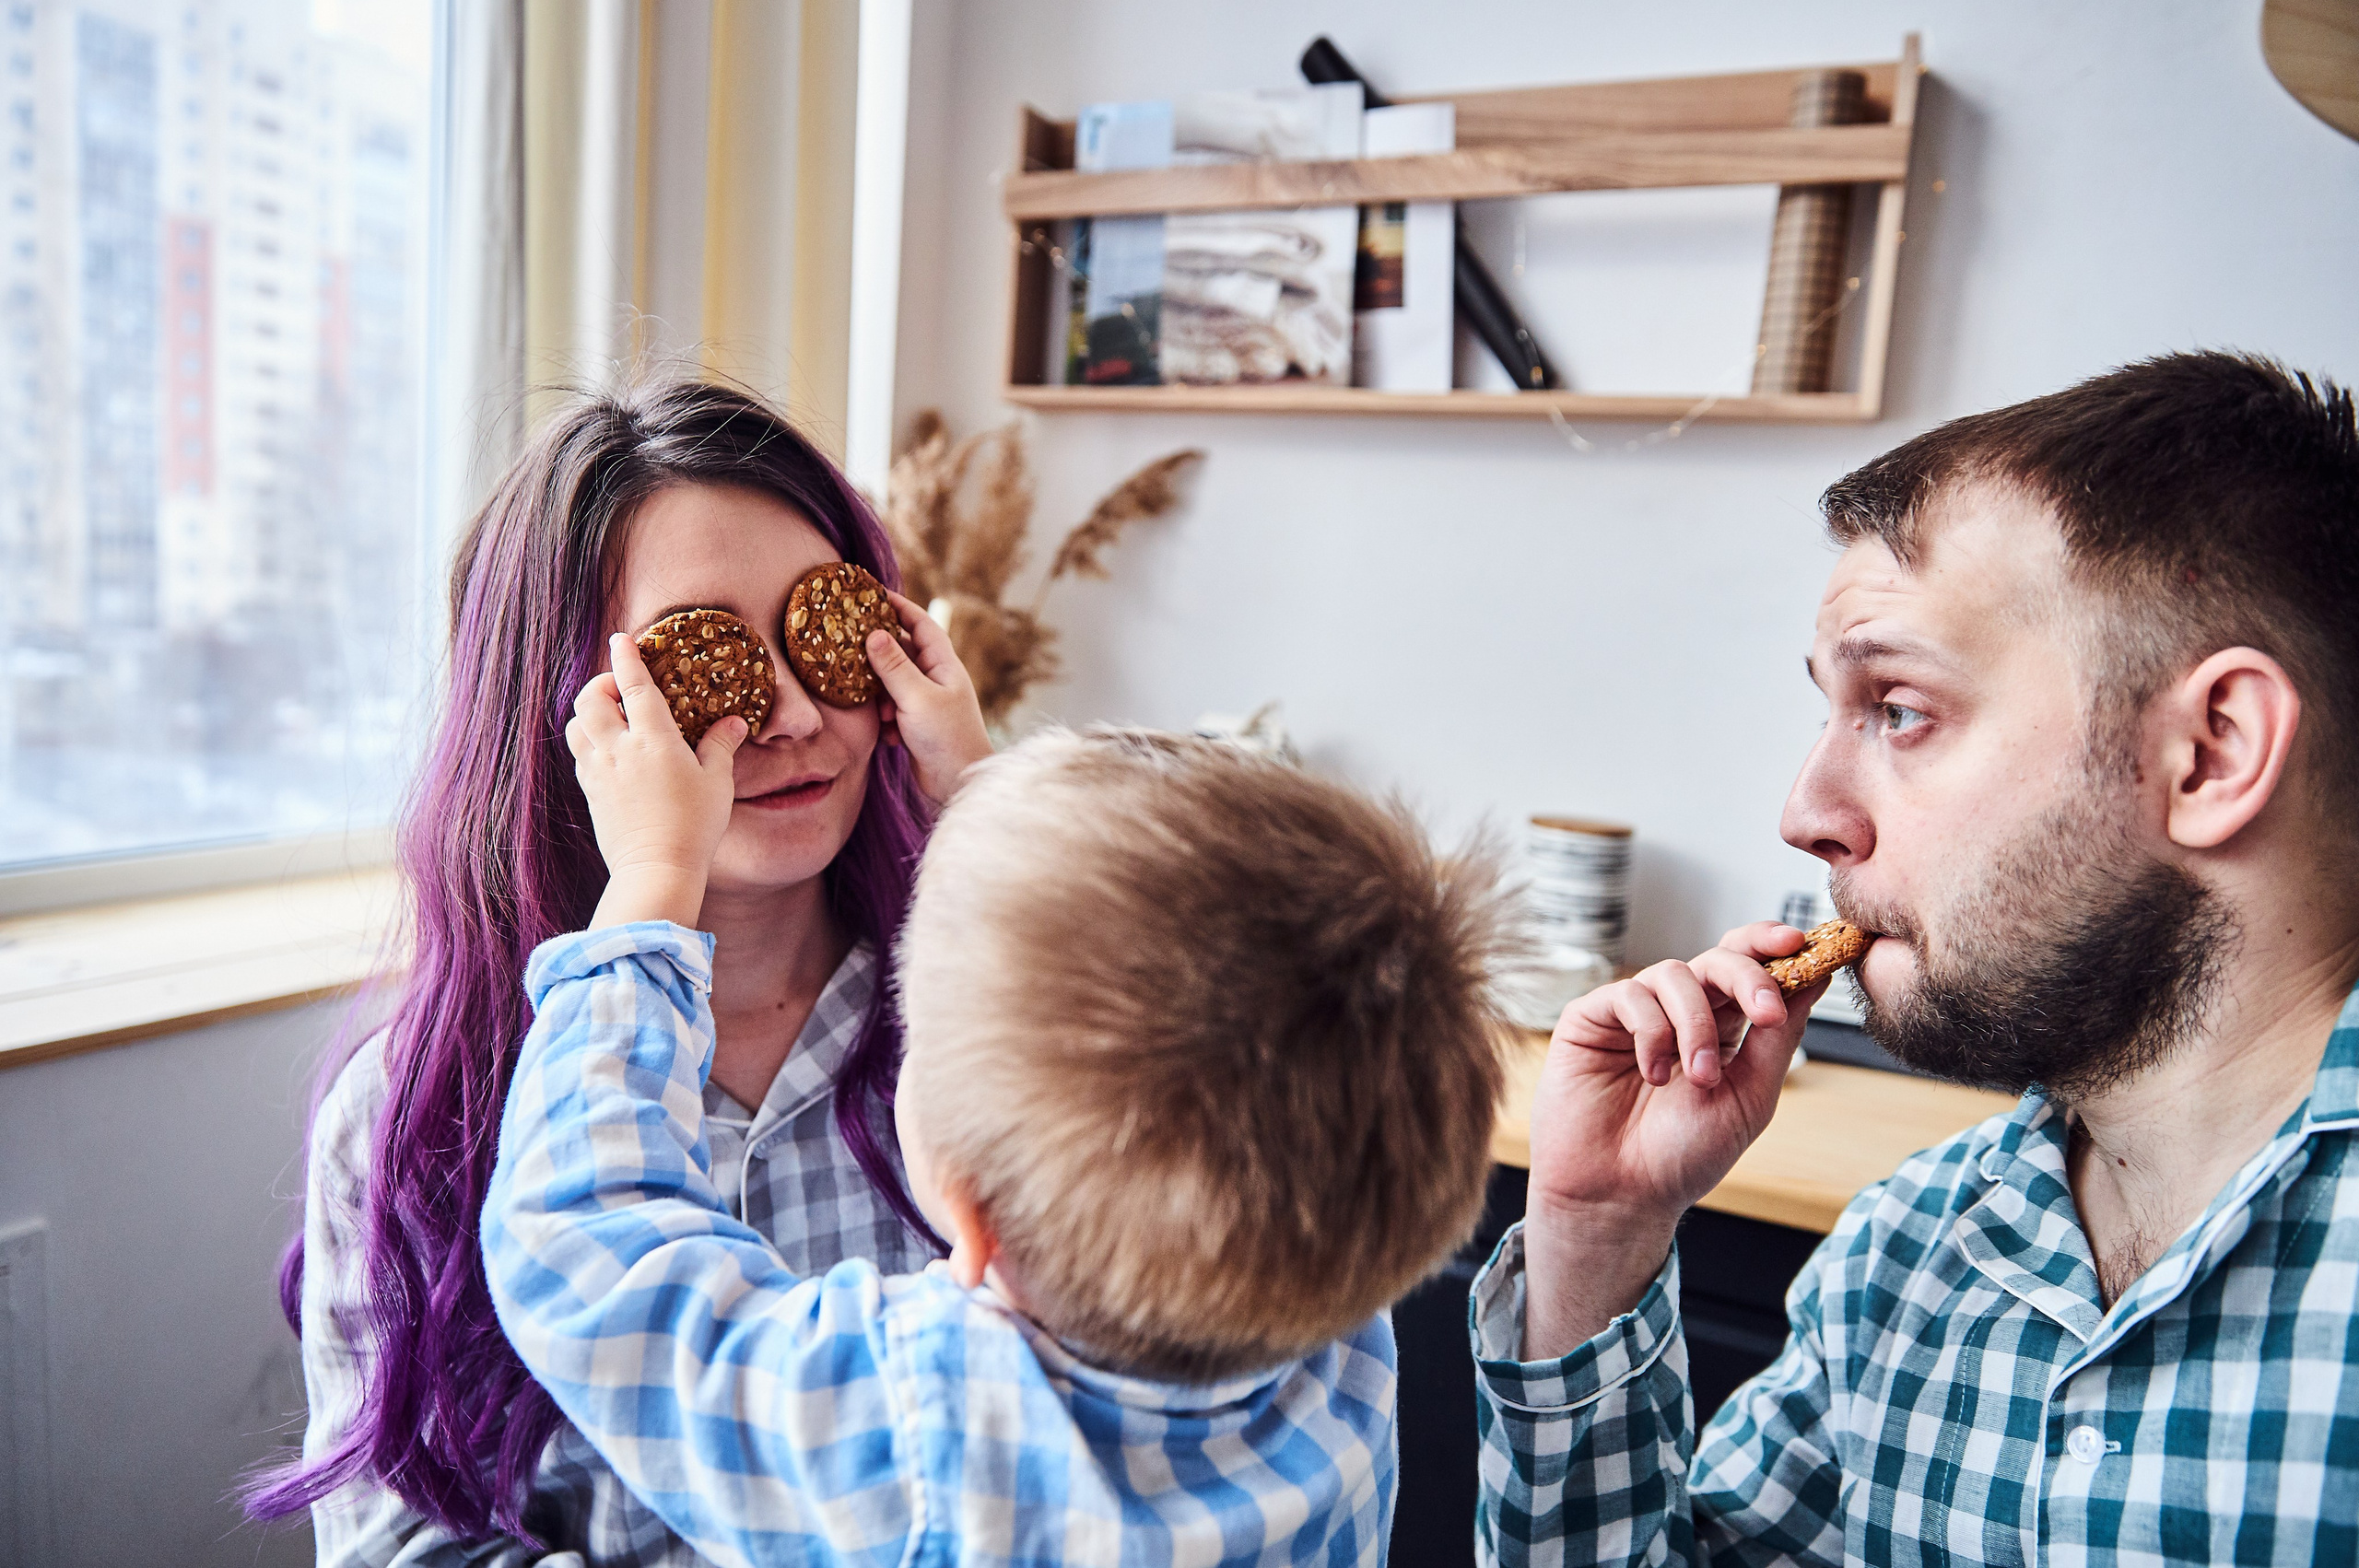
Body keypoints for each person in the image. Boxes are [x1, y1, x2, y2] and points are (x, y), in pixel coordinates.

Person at [1474, 352, 2359, 1566]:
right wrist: (1593, 1237)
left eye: (1900, 709)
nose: (1805, 808)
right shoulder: (1909, 1245)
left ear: (2209, 752)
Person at [246, 380, 995, 1564]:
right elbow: (403, 1547)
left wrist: (997, 820)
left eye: (825, 634)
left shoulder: (1018, 1043)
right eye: (702, 675)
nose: (794, 711)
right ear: (558, 716)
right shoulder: (416, 1113)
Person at [480, 708, 1515, 1563]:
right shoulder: (1337, 1349)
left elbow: (588, 1229)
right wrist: (992, 813)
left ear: (969, 1219)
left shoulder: (927, 1432)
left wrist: (654, 881)